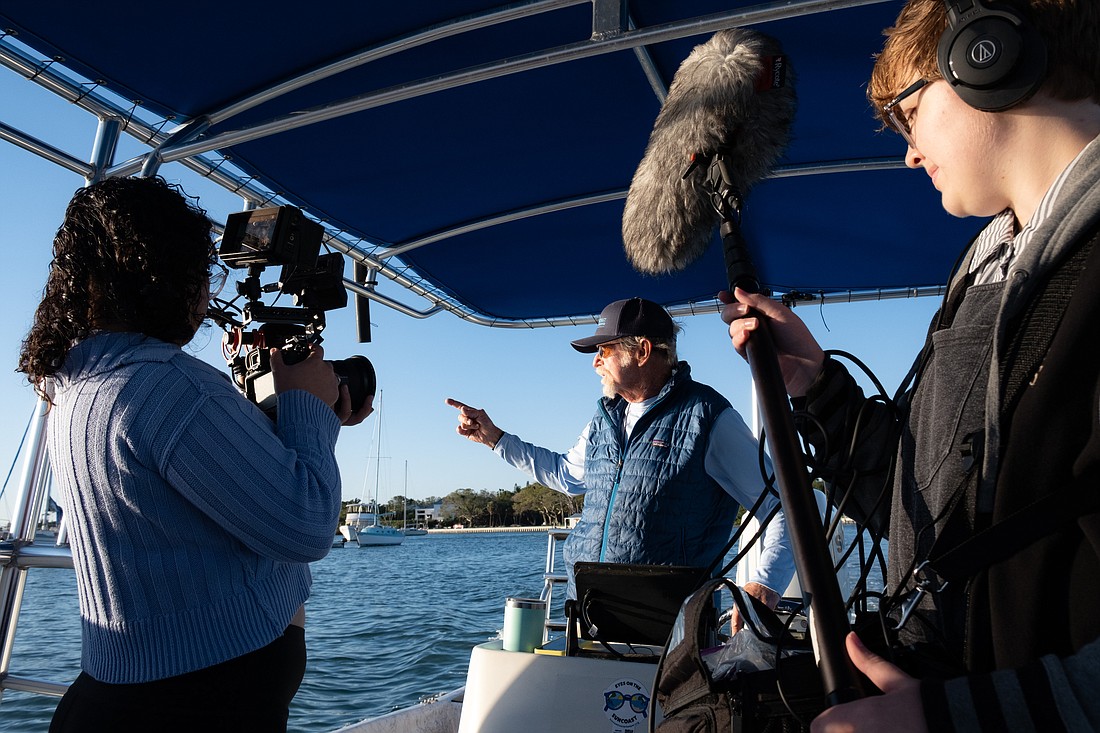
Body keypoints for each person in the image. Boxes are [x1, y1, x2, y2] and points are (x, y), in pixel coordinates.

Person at [722, 0, 1100, 729]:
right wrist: (821, 391)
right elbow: (929, 516)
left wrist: (950, 715)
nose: (908, 152)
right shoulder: (984, 275)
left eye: (907, 113)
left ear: (985, 58)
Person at [17, 176, 373, 732]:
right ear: (168, 276)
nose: (209, 294)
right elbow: (306, 527)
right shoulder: (169, 388)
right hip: (203, 703)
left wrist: (302, 421)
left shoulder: (75, 385)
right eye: (203, 274)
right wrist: (307, 409)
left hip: (116, 693)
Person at [448, 296, 794, 613]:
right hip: (589, 613)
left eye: (605, 351)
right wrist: (495, 439)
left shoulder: (707, 416)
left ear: (642, 351)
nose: (596, 363)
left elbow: (789, 506)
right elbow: (566, 474)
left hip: (671, 628)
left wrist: (764, 587)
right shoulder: (604, 419)